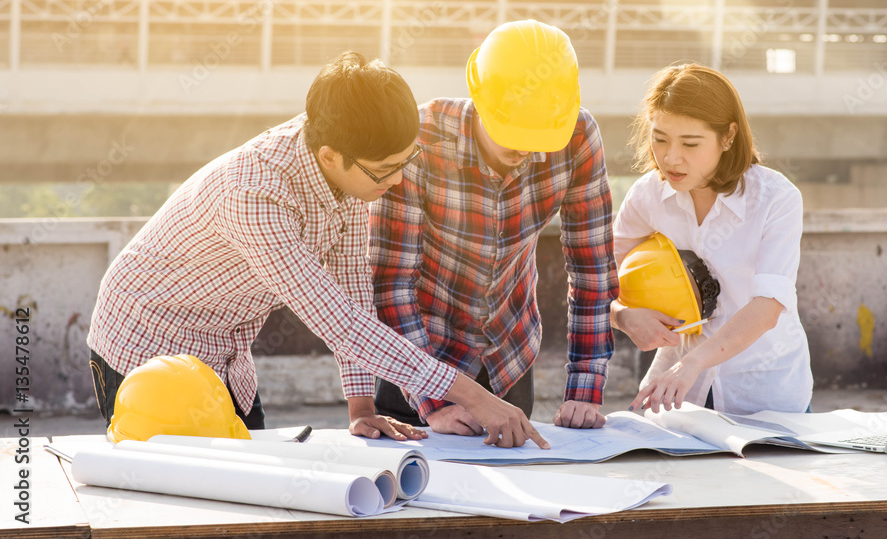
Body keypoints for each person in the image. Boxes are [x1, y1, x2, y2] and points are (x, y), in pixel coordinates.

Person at [87, 51, 548, 450]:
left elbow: (351, 293)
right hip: (148, 347)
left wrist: (362, 409)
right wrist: (476, 397)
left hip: (224, 355)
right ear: (331, 156)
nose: (398, 181)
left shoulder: (345, 171)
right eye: (386, 169)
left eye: (407, 161)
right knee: (181, 506)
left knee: (252, 501)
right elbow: (339, 323)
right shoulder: (256, 195)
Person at [364, 20, 618, 435]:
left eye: (538, 135)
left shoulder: (577, 136)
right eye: (513, 132)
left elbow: (592, 270)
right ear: (478, 95)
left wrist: (584, 391)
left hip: (509, 358)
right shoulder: (420, 139)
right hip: (419, 362)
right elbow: (391, 284)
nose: (524, 147)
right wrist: (434, 403)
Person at [612, 63, 812, 416]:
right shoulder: (646, 196)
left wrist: (692, 363)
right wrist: (624, 316)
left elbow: (767, 308)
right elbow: (596, 284)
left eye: (690, 143)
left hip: (765, 395)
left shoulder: (776, 198)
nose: (671, 157)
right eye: (659, 139)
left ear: (728, 136)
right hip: (674, 398)